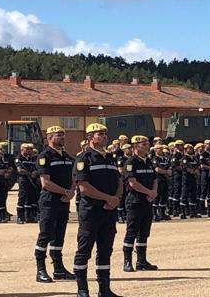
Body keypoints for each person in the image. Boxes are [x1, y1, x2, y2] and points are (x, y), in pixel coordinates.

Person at [73, 123, 122, 297]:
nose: (104, 137)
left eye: (105, 134)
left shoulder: (109, 158)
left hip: (109, 211)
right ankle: (82, 290)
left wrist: (116, 198)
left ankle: (104, 289)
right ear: (90, 137)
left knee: (105, 251)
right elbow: (84, 187)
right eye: (100, 134)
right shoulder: (83, 158)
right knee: (84, 250)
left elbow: (119, 181)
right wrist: (108, 198)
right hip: (91, 211)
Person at [34, 126, 76, 283]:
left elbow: (74, 176)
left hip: (64, 200)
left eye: (63, 135)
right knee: (45, 235)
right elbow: (46, 183)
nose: (62, 137)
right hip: (50, 201)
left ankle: (58, 269)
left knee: (59, 235)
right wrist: (66, 192)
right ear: (49, 137)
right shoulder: (45, 156)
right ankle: (40, 270)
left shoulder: (66, 156)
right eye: (58, 135)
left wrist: (71, 190)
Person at [123, 135, 158, 272]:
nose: (147, 146)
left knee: (144, 232)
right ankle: (127, 262)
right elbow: (133, 183)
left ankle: (142, 261)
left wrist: (153, 192)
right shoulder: (131, 162)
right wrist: (149, 192)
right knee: (132, 232)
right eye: (144, 144)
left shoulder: (148, 161)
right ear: (136, 146)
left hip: (147, 201)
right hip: (135, 201)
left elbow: (154, 179)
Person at [15, 143, 39, 224]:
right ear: (22, 149)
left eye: (31, 149)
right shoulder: (19, 158)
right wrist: (30, 173)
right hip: (24, 180)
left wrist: (36, 172)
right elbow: (20, 170)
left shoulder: (33, 158)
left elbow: (37, 167)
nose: (29, 150)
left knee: (31, 197)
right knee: (22, 197)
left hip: (32, 180)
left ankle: (29, 216)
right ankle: (20, 217)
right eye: (27, 149)